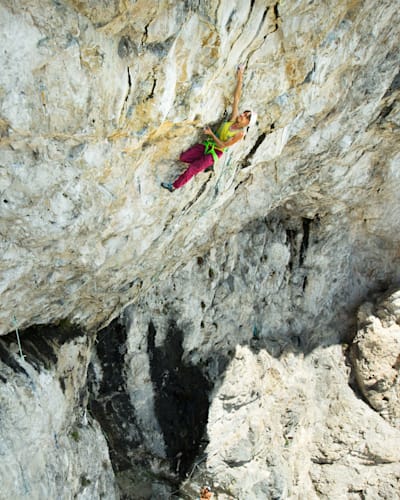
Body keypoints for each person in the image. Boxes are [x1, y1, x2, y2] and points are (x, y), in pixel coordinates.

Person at [161, 65, 256, 192]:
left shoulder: (240, 134)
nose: (242, 115)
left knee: (192, 168)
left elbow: (223, 146)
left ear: (246, 123)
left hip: (215, 152)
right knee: (183, 158)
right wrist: (240, 77)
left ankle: (174, 186)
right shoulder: (233, 118)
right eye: (245, 113)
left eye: (246, 117)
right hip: (208, 145)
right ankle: (201, 165)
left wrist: (211, 134)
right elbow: (236, 98)